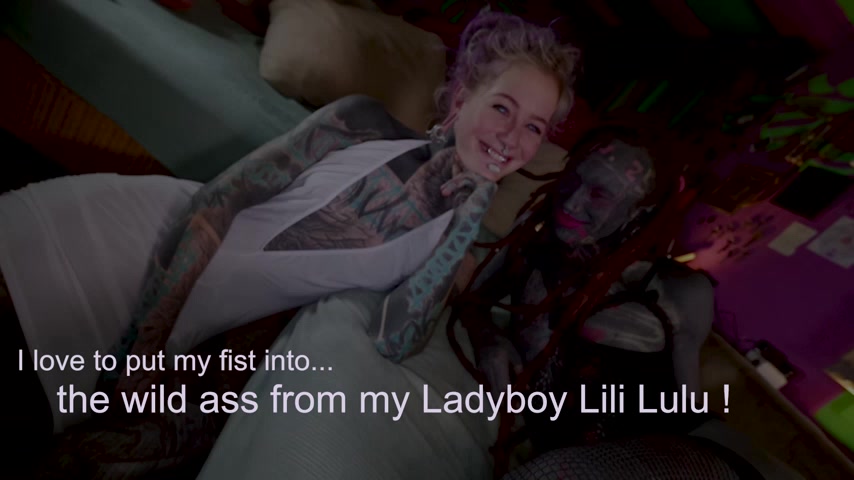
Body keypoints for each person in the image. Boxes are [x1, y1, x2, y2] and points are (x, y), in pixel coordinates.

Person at [0, 11, 580, 474]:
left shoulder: (458, 243)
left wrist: (469, 216)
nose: (513, 137)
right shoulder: (363, 123)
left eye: (534, 126)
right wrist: (143, 348)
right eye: (502, 107)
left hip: (170, 333)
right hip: (129, 254)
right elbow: (215, 203)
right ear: (460, 99)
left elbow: (395, 338)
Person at [452, 125, 715, 463]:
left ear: (638, 212)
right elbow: (473, 300)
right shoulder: (535, 236)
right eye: (574, 177)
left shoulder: (679, 291)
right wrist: (488, 337)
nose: (571, 202)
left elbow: (688, 421)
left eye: (599, 194)